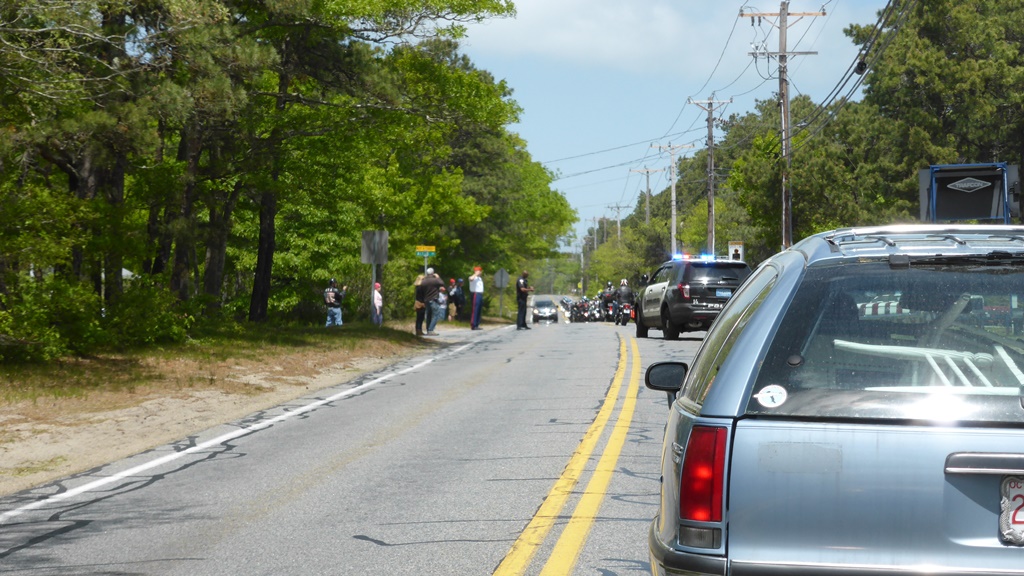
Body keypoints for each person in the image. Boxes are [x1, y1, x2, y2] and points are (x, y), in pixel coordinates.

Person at [421, 267, 445, 336]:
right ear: (432, 273)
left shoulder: (424, 281)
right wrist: (438, 277)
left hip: (426, 300)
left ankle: (428, 329)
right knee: (436, 314)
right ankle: (431, 330)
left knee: (429, 315)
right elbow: (442, 283)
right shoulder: (435, 280)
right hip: (433, 299)